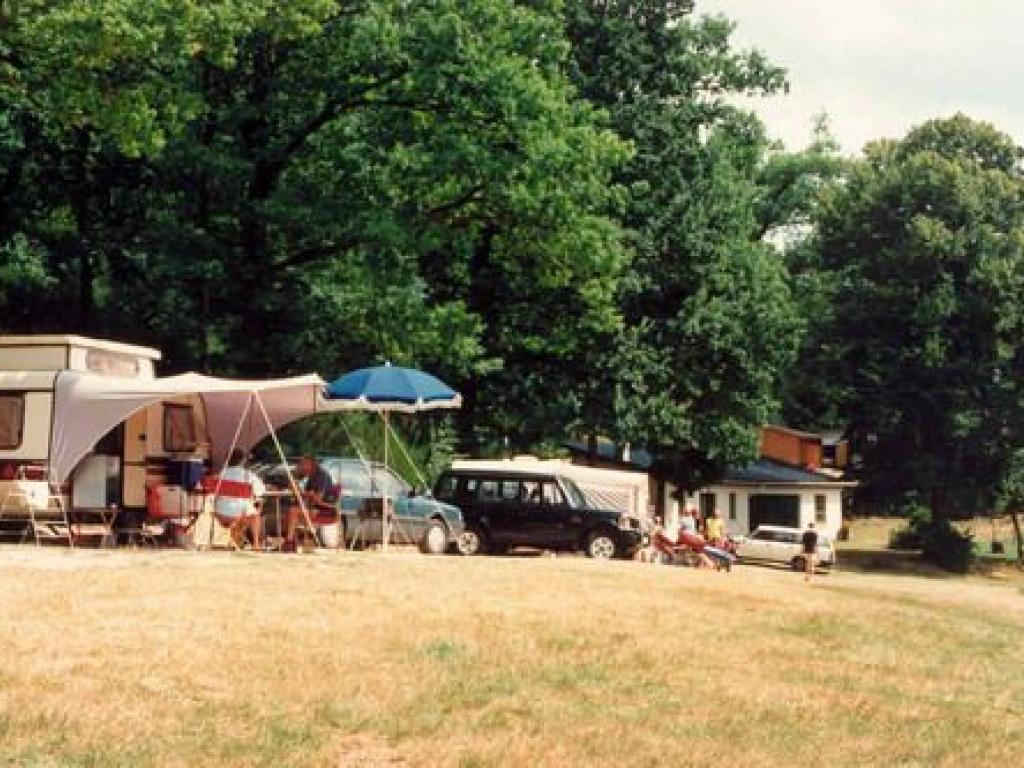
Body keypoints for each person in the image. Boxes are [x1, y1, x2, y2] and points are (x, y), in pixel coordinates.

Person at [281, 455, 337, 553]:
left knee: (293, 511)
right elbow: (307, 496)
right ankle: (291, 541)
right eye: (301, 465)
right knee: (288, 512)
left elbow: (317, 499)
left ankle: (289, 542)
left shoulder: (321, 476)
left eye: (303, 465)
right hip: (314, 507)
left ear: (312, 465)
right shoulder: (311, 477)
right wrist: (297, 488)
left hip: (324, 510)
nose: (302, 467)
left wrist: (302, 493)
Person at [213, 450, 266, 550]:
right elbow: (261, 491)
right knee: (255, 515)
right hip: (240, 514)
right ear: (242, 461)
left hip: (221, 514)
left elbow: (212, 493)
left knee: (248, 510)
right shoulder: (248, 475)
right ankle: (255, 543)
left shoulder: (220, 474)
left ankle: (235, 541)